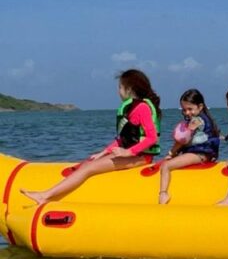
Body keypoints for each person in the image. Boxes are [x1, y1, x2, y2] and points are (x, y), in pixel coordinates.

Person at [21, 69, 161, 206]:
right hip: (132, 155)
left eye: (120, 87)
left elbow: (151, 138)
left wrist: (127, 152)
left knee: (88, 169)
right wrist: (103, 153)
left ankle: (45, 196)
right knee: (88, 163)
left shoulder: (142, 108)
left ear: (129, 89)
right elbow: (123, 138)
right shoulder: (131, 108)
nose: (118, 91)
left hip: (141, 157)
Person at [159, 89, 220, 204]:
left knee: (166, 166)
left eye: (190, 109)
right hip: (204, 153)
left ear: (200, 106)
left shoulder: (196, 121)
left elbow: (182, 139)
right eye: (184, 110)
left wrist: (171, 153)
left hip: (199, 154)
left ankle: (163, 194)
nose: (187, 113)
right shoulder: (203, 118)